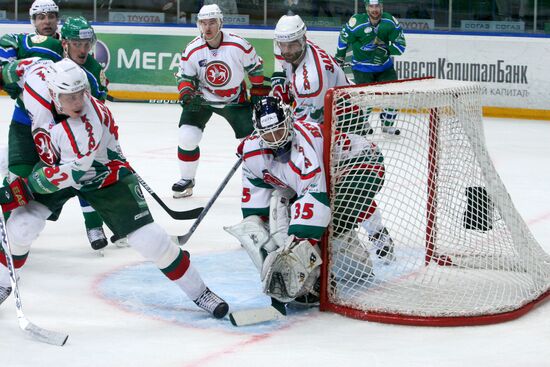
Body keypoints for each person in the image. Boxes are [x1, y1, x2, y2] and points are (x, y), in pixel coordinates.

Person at [0, 59, 229, 319]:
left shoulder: (87, 122)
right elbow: (27, 68)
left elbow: (71, 172)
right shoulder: (37, 85)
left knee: (150, 240)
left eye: (80, 94)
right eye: (69, 97)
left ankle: (200, 292)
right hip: (57, 163)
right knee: (21, 225)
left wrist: (24, 187)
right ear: (53, 92)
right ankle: (3, 283)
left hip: (100, 173)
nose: (78, 102)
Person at [224, 97, 394, 305]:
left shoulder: (303, 151)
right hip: (329, 169)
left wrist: (296, 254)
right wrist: (261, 234)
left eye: (278, 130)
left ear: (288, 121)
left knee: (335, 220)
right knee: (287, 204)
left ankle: (326, 274)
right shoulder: (251, 153)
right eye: (268, 133)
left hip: (361, 162)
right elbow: (256, 201)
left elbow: (315, 208)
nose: (275, 138)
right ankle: (346, 256)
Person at [0, 12, 114, 251]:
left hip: (63, 131)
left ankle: (94, 225)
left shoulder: (92, 72)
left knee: (81, 173)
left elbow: (95, 112)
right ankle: (10, 230)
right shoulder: (47, 47)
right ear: (65, 43)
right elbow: (8, 40)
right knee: (18, 176)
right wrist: (8, 67)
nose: (82, 50)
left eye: (86, 44)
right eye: (76, 44)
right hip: (25, 122)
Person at [172, 4, 268, 198]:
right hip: (203, 98)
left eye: (212, 23)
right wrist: (186, 93)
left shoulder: (239, 45)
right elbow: (185, 77)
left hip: (235, 98)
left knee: (250, 143)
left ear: (221, 23)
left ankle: (256, 180)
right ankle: (187, 178)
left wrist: (257, 91)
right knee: (187, 136)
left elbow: (255, 68)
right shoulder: (192, 49)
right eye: (203, 23)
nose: (207, 28)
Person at [335, 0, 406, 135]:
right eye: (371, 6)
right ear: (367, 8)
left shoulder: (390, 22)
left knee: (394, 96)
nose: (375, 9)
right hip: (362, 69)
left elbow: (401, 46)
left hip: (385, 67)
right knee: (365, 100)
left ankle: (387, 124)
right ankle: (363, 124)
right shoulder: (356, 22)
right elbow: (343, 38)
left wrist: (387, 50)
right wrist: (340, 57)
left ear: (382, 7)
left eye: (377, 6)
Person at [270, 14, 350, 124]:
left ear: (303, 41)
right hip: (325, 100)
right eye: (282, 45)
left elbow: (304, 128)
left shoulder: (310, 81)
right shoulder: (282, 50)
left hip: (344, 115)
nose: (286, 51)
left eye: (292, 45)